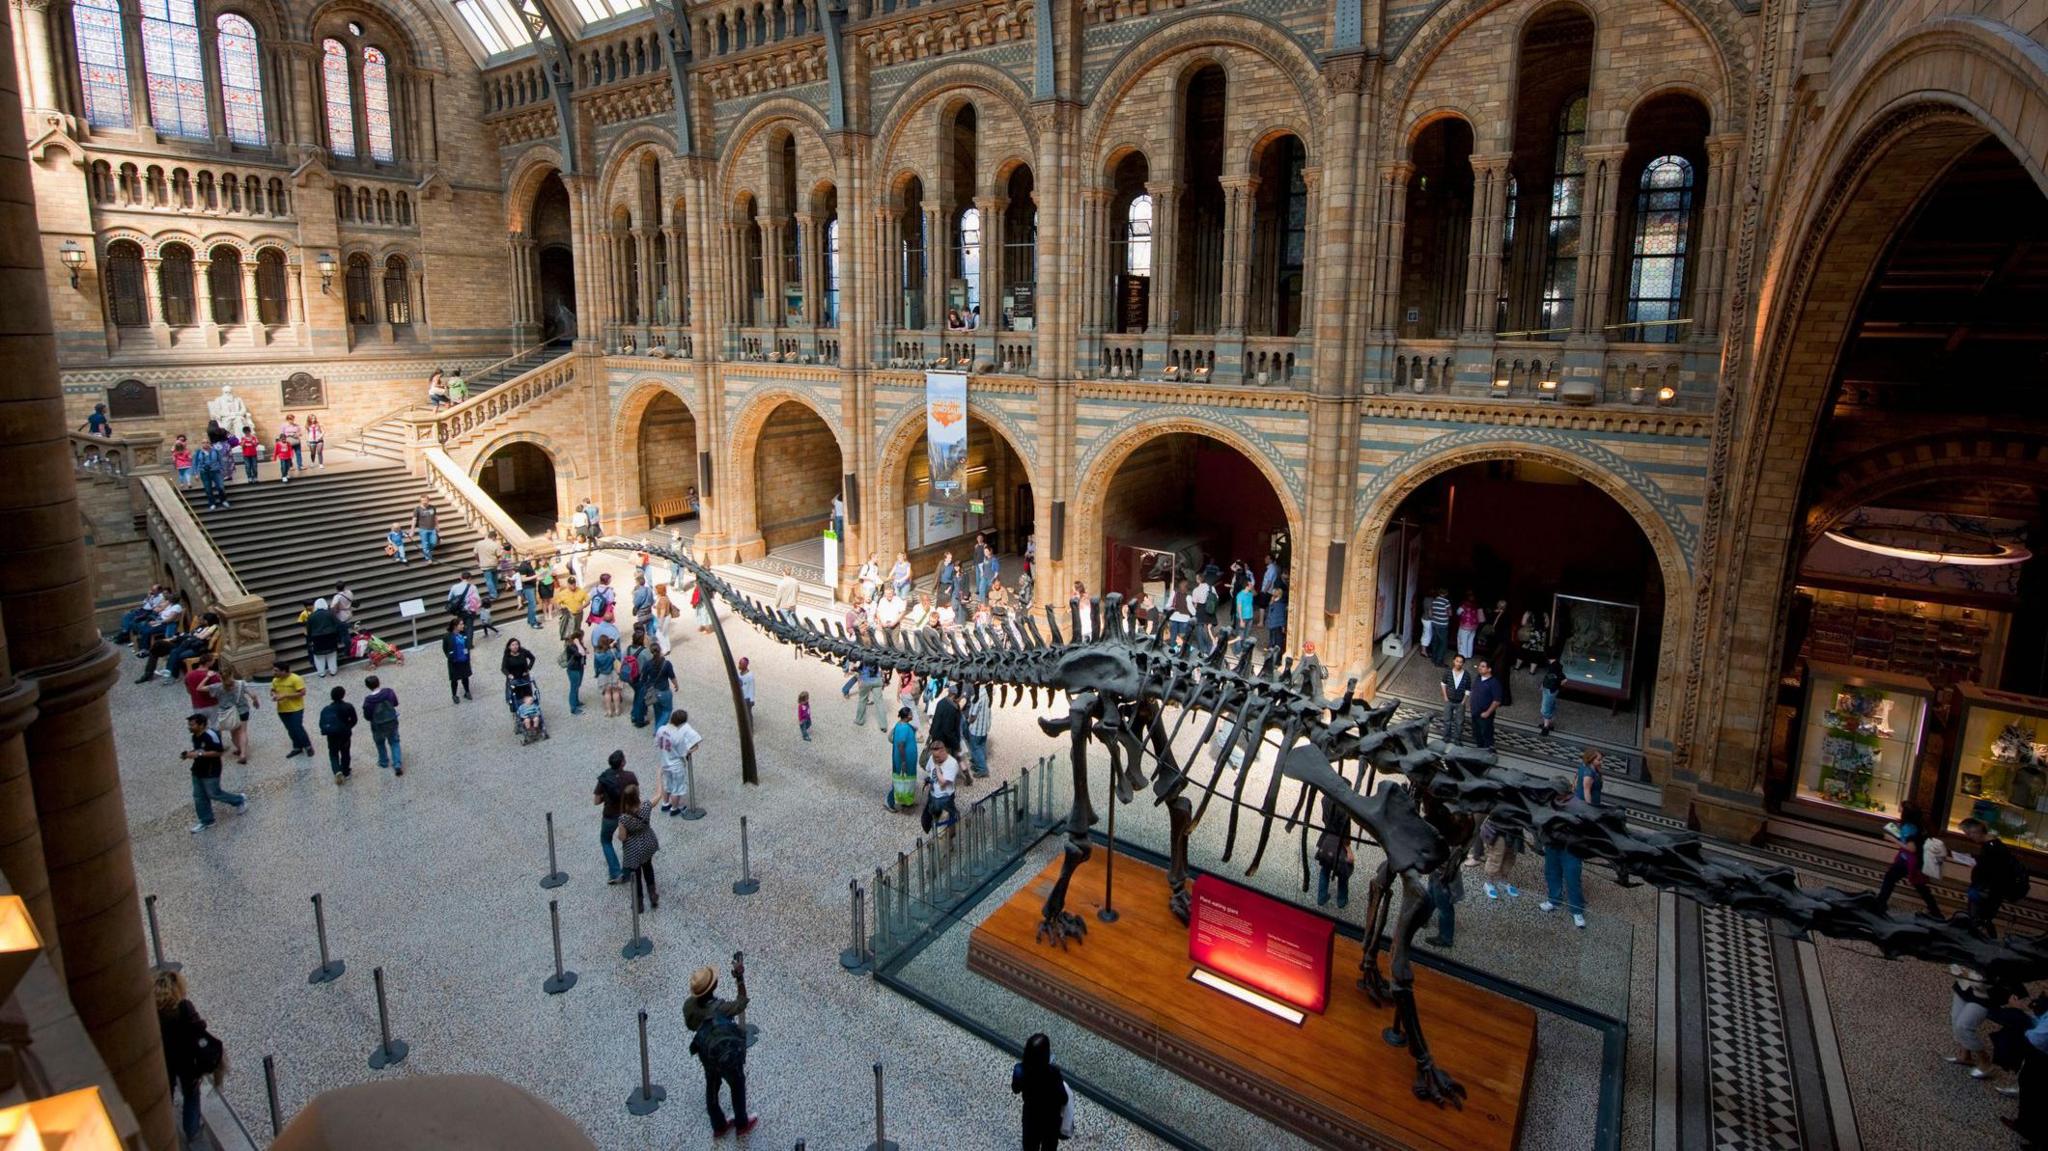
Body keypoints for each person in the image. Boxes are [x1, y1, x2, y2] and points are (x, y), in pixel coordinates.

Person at [685, 961, 757, 1136]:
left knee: (712, 1086)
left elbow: (691, 1025)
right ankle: (741, 1123)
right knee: (737, 1085)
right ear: (713, 986)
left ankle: (718, 1125)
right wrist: (739, 979)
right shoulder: (721, 1008)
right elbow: (741, 1003)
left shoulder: (688, 1006)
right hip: (725, 1053)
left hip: (706, 1052)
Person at [156, 969, 224, 1144]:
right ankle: (191, 1130)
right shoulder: (183, 1007)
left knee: (168, 1093)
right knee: (191, 1093)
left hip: (166, 1059)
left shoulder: (156, 1012)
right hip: (186, 1059)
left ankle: (165, 1129)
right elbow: (198, 1026)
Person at [1541, 748, 1603, 928]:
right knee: (1551, 872)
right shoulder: (1550, 803)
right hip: (1554, 845)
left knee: (1572, 877)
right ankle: (1554, 899)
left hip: (1571, 848)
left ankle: (1576, 910)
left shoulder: (1576, 806)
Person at [1961, 818, 2028, 935]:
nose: (1969, 837)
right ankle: (1987, 938)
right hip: (1995, 889)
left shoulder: (1990, 848)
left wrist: (1976, 867)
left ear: (1976, 832)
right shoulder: (1995, 844)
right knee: (1985, 917)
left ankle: (1978, 939)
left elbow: (1990, 870)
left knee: (1977, 916)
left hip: (1988, 888)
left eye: (1968, 834)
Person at [182, 712, 246, 832]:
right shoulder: (195, 736)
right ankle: (206, 820)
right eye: (189, 725)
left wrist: (198, 754)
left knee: (214, 793)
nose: (190, 727)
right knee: (199, 796)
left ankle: (239, 800)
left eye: (192, 725)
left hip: (211, 770)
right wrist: (189, 754)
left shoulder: (211, 735)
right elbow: (199, 749)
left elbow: (219, 752)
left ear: (201, 725)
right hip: (197, 770)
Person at [1012, 1032, 1069, 1151]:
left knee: (1030, 1146)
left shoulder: (1020, 1071)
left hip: (1031, 1119)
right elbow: (1064, 1098)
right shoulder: (1054, 1073)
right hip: (1050, 1121)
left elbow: (1015, 1089)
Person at [594, 750, 638, 883]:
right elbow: (636, 796)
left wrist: (605, 797)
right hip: (627, 814)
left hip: (610, 816)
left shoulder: (605, 778)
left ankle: (615, 872)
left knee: (606, 841)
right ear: (623, 763)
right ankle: (629, 869)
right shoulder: (630, 777)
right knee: (627, 840)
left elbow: (596, 801)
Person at [616, 781, 660, 909]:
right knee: (648, 868)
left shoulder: (624, 818)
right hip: (647, 842)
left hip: (633, 849)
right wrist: (659, 776)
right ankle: (652, 894)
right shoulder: (645, 807)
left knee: (636, 875)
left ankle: (639, 902)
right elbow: (658, 795)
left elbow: (622, 837)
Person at [655, 710, 702, 816]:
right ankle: (675, 808)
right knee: (677, 787)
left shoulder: (661, 729)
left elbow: (657, 742)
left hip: (665, 761)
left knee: (668, 784)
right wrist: (694, 749)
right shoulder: (678, 736)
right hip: (676, 765)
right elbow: (683, 753)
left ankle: (665, 803)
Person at [1314, 791, 1354, 908]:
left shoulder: (1325, 800)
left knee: (1325, 869)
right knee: (1343, 872)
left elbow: (1324, 819)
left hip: (1326, 840)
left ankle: (1321, 897)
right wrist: (1349, 850)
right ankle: (1341, 900)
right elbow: (1346, 832)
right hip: (1338, 842)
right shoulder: (1345, 808)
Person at [269, 659, 314, 758]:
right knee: (290, 729)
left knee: (297, 728)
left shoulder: (296, 679)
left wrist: (285, 696)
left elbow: (302, 693)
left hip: (296, 708)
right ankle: (297, 747)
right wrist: (273, 694)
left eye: (276, 670)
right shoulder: (275, 680)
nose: (274, 672)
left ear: (284, 671)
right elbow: (272, 690)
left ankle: (308, 746)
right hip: (282, 709)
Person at [1479, 811, 1523, 899]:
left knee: (1510, 856)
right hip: (1498, 827)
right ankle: (1489, 883)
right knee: (1496, 856)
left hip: (1515, 828)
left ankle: (1503, 881)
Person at [317, 685, 357, 783]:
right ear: (343, 695)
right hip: (345, 734)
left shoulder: (326, 709)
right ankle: (346, 772)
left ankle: (337, 771)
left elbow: (322, 723)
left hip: (332, 735)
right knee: (345, 752)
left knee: (333, 753)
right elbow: (354, 720)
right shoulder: (348, 706)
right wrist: (348, 727)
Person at [364, 674, 402, 775]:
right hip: (391, 721)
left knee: (380, 743)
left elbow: (367, 716)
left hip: (377, 725)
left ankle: (384, 761)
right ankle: (397, 763)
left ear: (368, 686)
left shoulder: (368, 701)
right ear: (379, 682)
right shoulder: (389, 692)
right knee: (394, 742)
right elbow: (395, 703)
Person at [888, 707, 919, 812]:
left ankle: (907, 802)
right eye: (910, 713)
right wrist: (904, 762)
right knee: (899, 782)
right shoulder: (904, 728)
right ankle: (889, 802)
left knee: (906, 781)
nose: (912, 715)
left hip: (906, 759)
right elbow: (901, 745)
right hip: (904, 760)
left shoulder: (901, 724)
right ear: (907, 716)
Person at [926, 739, 961, 829]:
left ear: (944, 751)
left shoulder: (952, 763)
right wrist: (929, 782)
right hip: (933, 795)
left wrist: (937, 767)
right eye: (934, 756)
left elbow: (942, 783)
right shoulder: (933, 758)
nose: (935, 759)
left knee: (948, 820)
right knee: (934, 815)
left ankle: (950, 833)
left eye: (937, 757)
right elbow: (928, 770)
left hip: (945, 797)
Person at [1469, 658, 1503, 749]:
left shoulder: (1494, 683)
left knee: (1486, 733)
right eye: (1479, 666)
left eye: (1483, 667)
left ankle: (1488, 751)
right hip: (1475, 712)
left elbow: (1497, 701)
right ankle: (1480, 749)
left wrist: (1487, 713)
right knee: (1477, 732)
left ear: (1489, 669)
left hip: (1485, 714)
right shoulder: (1478, 678)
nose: (1480, 668)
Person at [305, 597, 342, 677]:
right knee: (332, 654)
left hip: (317, 638)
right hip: (330, 637)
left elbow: (309, 629)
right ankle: (333, 671)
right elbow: (337, 624)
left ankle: (321, 672)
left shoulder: (311, 616)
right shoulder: (330, 614)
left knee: (319, 657)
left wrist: (309, 640)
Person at [1439, 655, 1470, 746]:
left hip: (1460, 702)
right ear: (1454, 661)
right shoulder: (1448, 672)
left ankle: (1457, 739)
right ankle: (1446, 737)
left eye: (1461, 662)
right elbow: (1443, 683)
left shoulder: (1466, 675)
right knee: (1447, 720)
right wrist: (1445, 697)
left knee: (1459, 722)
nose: (1458, 663)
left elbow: (1468, 689)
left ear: (1463, 663)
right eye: (1457, 661)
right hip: (1449, 700)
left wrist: (1464, 701)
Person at [441, 619, 474, 704]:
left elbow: (467, 645)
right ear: (455, 626)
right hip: (454, 661)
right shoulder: (447, 636)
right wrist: (449, 656)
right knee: (454, 679)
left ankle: (467, 692)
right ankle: (454, 695)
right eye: (461, 624)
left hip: (464, 660)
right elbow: (445, 648)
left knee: (465, 676)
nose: (463, 626)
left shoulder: (464, 634)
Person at [194, 435, 231, 509]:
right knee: (208, 488)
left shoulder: (215, 451)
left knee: (220, 486)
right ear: (201, 444)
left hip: (215, 471)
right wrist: (196, 474)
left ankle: (223, 500)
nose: (205, 444)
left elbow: (221, 460)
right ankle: (212, 503)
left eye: (207, 442)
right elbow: (195, 463)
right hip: (204, 472)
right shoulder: (198, 452)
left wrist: (223, 470)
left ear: (209, 443)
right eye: (204, 442)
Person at [965, 683, 992, 779]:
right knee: (981, 745)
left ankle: (982, 769)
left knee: (975, 748)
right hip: (984, 727)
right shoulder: (988, 692)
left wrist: (968, 722)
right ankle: (980, 763)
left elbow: (973, 715)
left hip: (976, 728)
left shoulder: (978, 696)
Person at [1537, 653, 1566, 737]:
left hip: (1550, 689)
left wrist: (1555, 685)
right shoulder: (1556, 665)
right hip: (1551, 689)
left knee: (1545, 709)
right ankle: (1548, 724)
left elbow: (1563, 679)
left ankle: (1546, 727)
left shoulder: (1554, 667)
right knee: (1550, 706)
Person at [854, 659, 886, 729]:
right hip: (877, 680)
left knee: (862, 700)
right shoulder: (877, 656)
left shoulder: (863, 656)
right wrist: (883, 680)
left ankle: (859, 720)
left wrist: (859, 681)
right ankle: (883, 725)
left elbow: (858, 670)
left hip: (866, 680)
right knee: (879, 703)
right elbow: (882, 670)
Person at [563, 631, 589, 715]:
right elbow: (580, 653)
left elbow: (585, 652)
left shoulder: (580, 645)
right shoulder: (570, 647)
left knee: (578, 685)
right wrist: (578, 644)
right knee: (574, 687)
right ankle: (573, 708)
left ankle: (577, 701)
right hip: (573, 669)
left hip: (579, 667)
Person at [475, 534, 504, 601]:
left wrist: (479, 561)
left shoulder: (478, 543)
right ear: (493, 537)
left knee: (489, 580)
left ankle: (493, 594)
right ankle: (495, 590)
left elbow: (475, 554)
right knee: (494, 578)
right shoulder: (495, 544)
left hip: (484, 565)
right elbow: (499, 555)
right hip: (494, 564)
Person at [1454, 592, 1483, 660]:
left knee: (1463, 640)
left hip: (1465, 626)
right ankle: (1469, 655)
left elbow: (1458, 612)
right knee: (1470, 640)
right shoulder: (1477, 605)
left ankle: (1462, 656)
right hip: (1474, 626)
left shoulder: (1464, 605)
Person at [413, 496, 439, 563]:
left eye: (425, 500)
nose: (424, 501)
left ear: (428, 500)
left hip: (432, 528)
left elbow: (435, 517)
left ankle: (428, 551)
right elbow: (414, 519)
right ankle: (428, 558)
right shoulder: (417, 509)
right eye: (422, 500)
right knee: (425, 544)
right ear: (420, 501)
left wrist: (437, 526)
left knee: (434, 542)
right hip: (423, 529)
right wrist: (412, 530)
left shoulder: (432, 507)